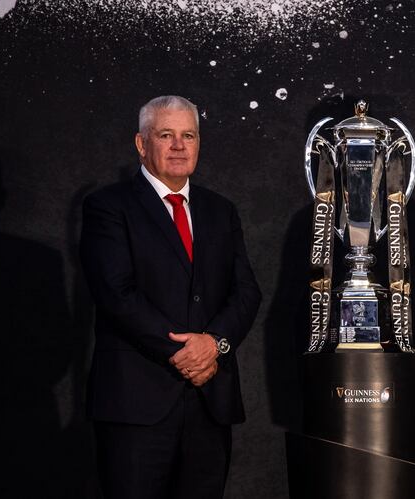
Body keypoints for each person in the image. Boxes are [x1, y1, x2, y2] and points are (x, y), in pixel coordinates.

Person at [80, 95, 261, 499]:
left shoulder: (221, 210)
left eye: (188, 136)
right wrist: (185, 352)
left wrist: (215, 345)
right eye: (166, 135)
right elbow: (116, 293)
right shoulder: (108, 207)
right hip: (136, 403)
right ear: (142, 144)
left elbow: (246, 292)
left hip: (209, 401)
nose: (179, 146)